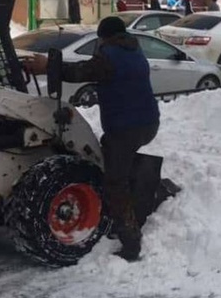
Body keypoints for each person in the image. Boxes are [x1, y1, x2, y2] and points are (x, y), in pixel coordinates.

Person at [23, 17, 159, 262]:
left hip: (126, 128)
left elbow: (80, 72)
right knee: (110, 157)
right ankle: (129, 204)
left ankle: (130, 241)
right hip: (147, 123)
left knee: (115, 182)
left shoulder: (111, 57)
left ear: (104, 38)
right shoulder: (133, 50)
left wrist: (48, 65)